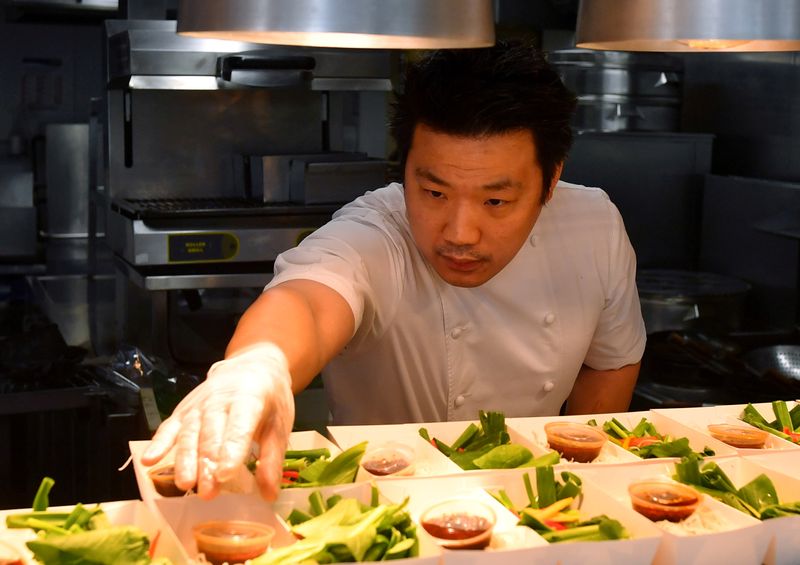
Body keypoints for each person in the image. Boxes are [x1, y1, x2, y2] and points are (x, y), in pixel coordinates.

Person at [142, 41, 646, 501]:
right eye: (433, 193)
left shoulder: (593, 226)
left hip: (528, 507)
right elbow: (310, 299)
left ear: (550, 181)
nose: (460, 233)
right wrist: (257, 366)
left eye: (495, 200)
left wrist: (579, 483)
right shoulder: (375, 232)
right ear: (403, 170)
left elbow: (611, 359)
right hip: (380, 509)